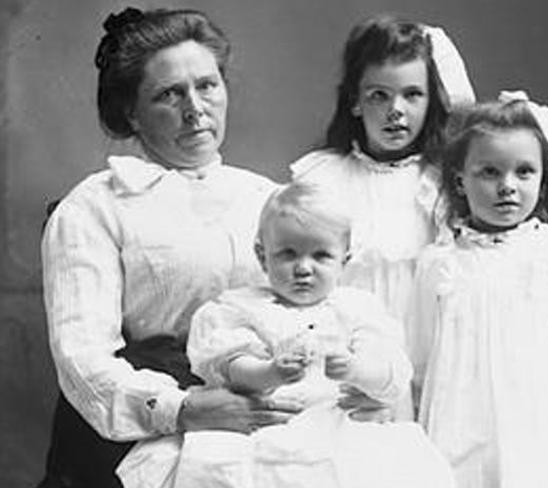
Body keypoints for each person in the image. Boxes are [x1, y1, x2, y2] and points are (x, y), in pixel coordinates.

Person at [38, 7, 296, 488]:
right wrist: (183, 410)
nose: (196, 108)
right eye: (169, 94)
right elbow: (82, 358)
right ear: (131, 112)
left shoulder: (270, 198)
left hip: (265, 425)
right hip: (147, 437)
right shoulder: (95, 206)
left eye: (207, 85)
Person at [116, 182, 456, 488]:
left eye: (321, 255)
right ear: (263, 257)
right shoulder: (238, 308)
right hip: (262, 423)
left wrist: (355, 369)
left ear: (345, 259)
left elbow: (389, 375)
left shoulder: (358, 310)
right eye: (288, 254)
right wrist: (269, 373)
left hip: (338, 427)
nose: (304, 268)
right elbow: (228, 365)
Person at [409, 91, 548, 487]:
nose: (507, 186)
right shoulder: (439, 264)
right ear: (460, 180)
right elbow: (421, 365)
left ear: (543, 178)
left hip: (542, 430)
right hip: (461, 432)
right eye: (490, 172)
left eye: (523, 172)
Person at [289, 16, 475, 416]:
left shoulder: (445, 184)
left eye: (412, 95)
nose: (396, 111)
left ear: (432, 100)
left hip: (433, 360)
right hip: (345, 365)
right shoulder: (321, 178)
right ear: (354, 100)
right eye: (378, 95)